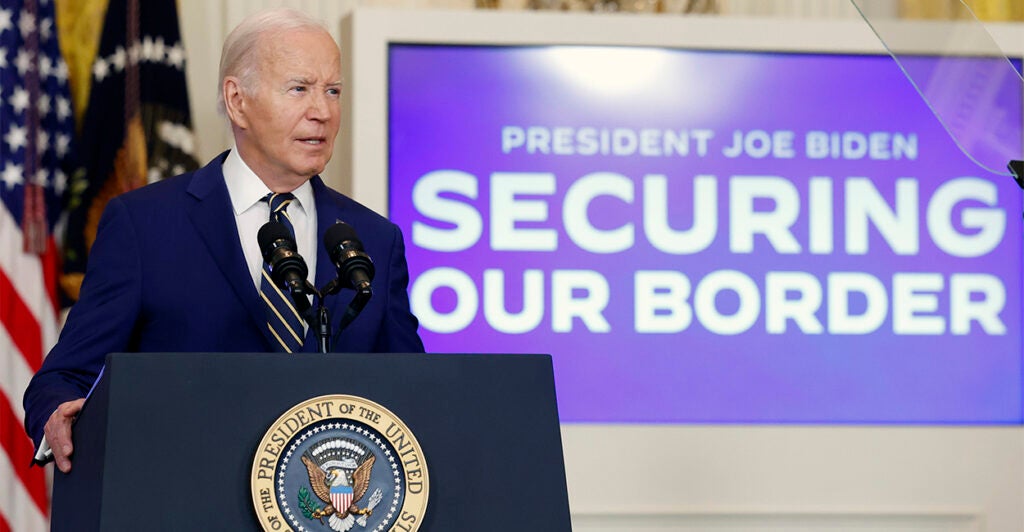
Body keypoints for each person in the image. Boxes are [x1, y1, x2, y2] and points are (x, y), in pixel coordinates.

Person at [23, 8, 424, 474]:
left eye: (332, 91)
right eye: (299, 89)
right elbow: (65, 377)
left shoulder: (375, 239)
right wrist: (56, 414)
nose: (323, 111)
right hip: (181, 496)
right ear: (237, 101)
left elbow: (412, 393)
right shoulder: (144, 225)